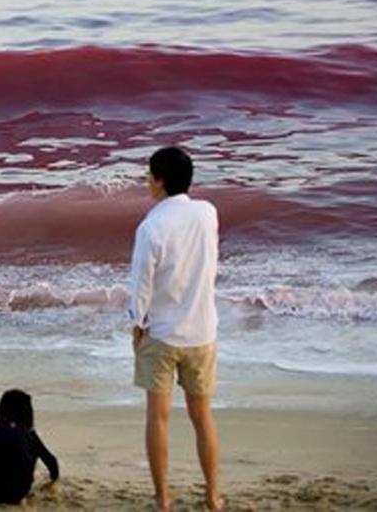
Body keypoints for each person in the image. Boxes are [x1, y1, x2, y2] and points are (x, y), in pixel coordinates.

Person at [128, 146, 224, 512]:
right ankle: (213, 496)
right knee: (203, 417)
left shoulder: (151, 226)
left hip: (163, 333)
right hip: (202, 330)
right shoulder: (207, 213)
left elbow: (141, 285)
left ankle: (163, 498)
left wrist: (137, 324)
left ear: (160, 181)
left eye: (149, 176)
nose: (147, 182)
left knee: (158, 416)